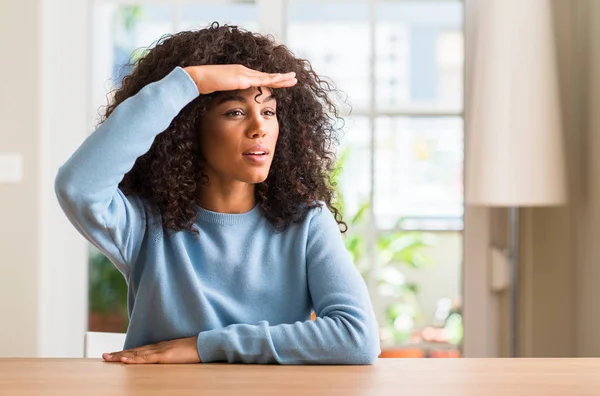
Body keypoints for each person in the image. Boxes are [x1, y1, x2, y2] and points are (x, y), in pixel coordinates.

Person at [55, 22, 380, 365]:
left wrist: (203, 346)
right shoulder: (144, 223)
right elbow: (78, 187)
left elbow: (356, 337)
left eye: (269, 111)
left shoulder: (306, 222)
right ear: (186, 126)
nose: (260, 128)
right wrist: (189, 83)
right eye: (235, 112)